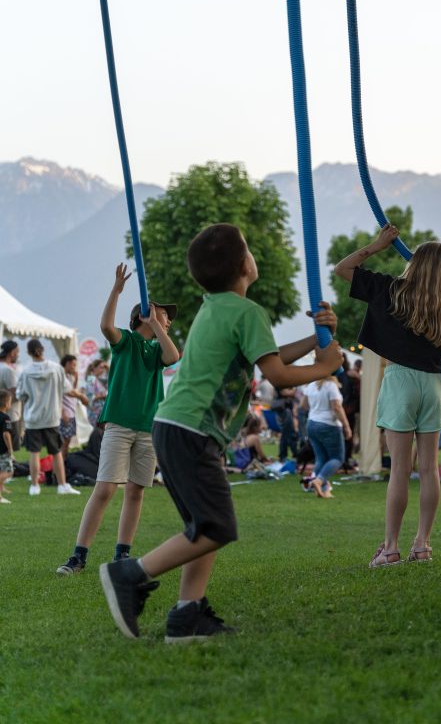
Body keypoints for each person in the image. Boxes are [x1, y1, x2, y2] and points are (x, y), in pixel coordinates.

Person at [99, 222, 343, 643]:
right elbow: (277, 374)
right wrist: (325, 366)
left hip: (177, 428)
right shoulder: (247, 312)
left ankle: (187, 615)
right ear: (244, 264)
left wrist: (316, 340)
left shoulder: (215, 307)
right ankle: (130, 574)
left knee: (203, 526)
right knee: (218, 527)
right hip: (191, 431)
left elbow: (266, 356)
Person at [335, 223, 441, 567]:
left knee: (400, 471)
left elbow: (343, 269)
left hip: (400, 381)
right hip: (434, 385)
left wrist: (378, 245)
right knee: (429, 470)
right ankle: (422, 545)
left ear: (414, 262)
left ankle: (390, 548)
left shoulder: (392, 290)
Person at [56, 265, 179, 576]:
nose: (168, 320)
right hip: (120, 426)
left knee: (136, 491)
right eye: (164, 314)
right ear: (144, 315)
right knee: (105, 489)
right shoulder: (125, 341)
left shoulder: (157, 349)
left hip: (149, 428)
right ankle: (78, 556)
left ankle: (123, 554)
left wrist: (158, 326)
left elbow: (173, 357)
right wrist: (117, 290)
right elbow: (105, 326)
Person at [16, 339, 81, 497]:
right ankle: (62, 485)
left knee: (34, 453)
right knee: (56, 452)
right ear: (43, 349)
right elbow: (67, 389)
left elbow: (21, 395)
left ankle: (34, 486)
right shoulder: (56, 368)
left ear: (29, 352)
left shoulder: (25, 372)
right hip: (52, 417)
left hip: (33, 419)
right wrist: (81, 396)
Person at [300, 375, 351, 498]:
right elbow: (337, 407)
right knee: (337, 458)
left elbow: (303, 405)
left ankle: (323, 490)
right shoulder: (331, 386)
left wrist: (316, 408)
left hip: (312, 423)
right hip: (329, 424)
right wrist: (346, 426)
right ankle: (319, 481)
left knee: (321, 459)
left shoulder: (311, 385)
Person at [59, 354, 90, 459]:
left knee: (67, 441)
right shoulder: (61, 377)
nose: (74, 367)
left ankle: (63, 462)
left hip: (71, 412)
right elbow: (59, 395)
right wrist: (63, 412)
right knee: (64, 441)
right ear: (67, 364)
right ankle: (60, 463)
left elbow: (72, 390)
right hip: (66, 413)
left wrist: (76, 379)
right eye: (73, 365)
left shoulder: (68, 377)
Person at [0, 339, 22, 449]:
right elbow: (14, 394)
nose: (18, 355)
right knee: (12, 450)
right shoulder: (8, 370)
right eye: (17, 352)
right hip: (10, 416)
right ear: (12, 353)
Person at [84, 359, 109, 428]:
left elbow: (111, 379)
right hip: (96, 414)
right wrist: (103, 396)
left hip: (100, 413)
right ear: (94, 368)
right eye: (101, 367)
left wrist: (108, 368)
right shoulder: (91, 379)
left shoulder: (98, 379)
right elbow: (89, 397)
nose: (103, 370)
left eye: (104, 368)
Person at [0, 388, 14, 503]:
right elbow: (6, 434)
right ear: (6, 404)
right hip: (2, 450)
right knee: (9, 471)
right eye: (10, 401)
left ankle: (1, 490)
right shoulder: (6, 418)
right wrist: (10, 449)